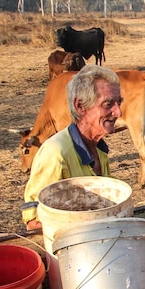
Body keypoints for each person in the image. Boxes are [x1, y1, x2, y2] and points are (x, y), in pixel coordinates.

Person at [22, 65, 123, 230]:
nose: (118, 112)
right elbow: (34, 222)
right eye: (108, 104)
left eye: (119, 103)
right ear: (80, 106)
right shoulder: (55, 153)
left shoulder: (99, 150)